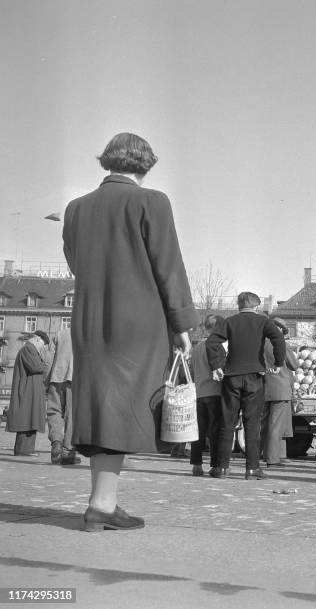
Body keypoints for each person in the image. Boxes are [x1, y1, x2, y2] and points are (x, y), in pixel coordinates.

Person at [63, 132, 197, 531]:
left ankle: (102, 503)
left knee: (103, 408)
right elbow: (168, 265)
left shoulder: (75, 208)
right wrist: (182, 325)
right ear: (146, 163)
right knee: (123, 409)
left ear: (107, 161)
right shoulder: (151, 201)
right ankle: (102, 504)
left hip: (89, 320)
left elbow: (75, 262)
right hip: (138, 322)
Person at [206, 292, 286, 480]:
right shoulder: (263, 322)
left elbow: (212, 341)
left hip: (231, 376)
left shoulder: (229, 321)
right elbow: (278, 339)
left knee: (227, 423)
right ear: (257, 305)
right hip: (255, 377)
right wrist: (278, 363)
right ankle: (252, 469)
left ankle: (222, 468)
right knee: (252, 424)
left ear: (239, 304)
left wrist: (217, 365)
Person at [261, 317, 298, 467]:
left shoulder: (259, 343)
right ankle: (273, 459)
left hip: (263, 387)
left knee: (263, 425)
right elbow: (294, 365)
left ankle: (261, 455)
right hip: (280, 389)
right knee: (276, 426)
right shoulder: (281, 342)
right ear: (280, 330)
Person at [7, 330, 50, 457]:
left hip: (32, 391)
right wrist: (46, 364)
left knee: (31, 419)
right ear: (37, 339)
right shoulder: (28, 349)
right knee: (25, 420)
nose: (42, 347)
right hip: (27, 391)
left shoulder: (31, 350)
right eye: (42, 344)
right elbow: (36, 367)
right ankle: (22, 450)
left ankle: (28, 449)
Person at [190, 315, 223, 477]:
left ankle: (196, 465)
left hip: (199, 393)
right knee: (215, 431)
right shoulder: (217, 347)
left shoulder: (196, 349)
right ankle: (215, 465)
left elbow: (190, 371)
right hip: (215, 392)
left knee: (199, 431)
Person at [47, 327, 80, 465]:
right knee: (71, 415)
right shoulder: (86, 331)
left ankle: (56, 442)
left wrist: (46, 379)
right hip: (76, 378)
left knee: (54, 411)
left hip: (57, 376)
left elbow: (49, 357)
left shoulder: (60, 333)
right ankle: (68, 451)